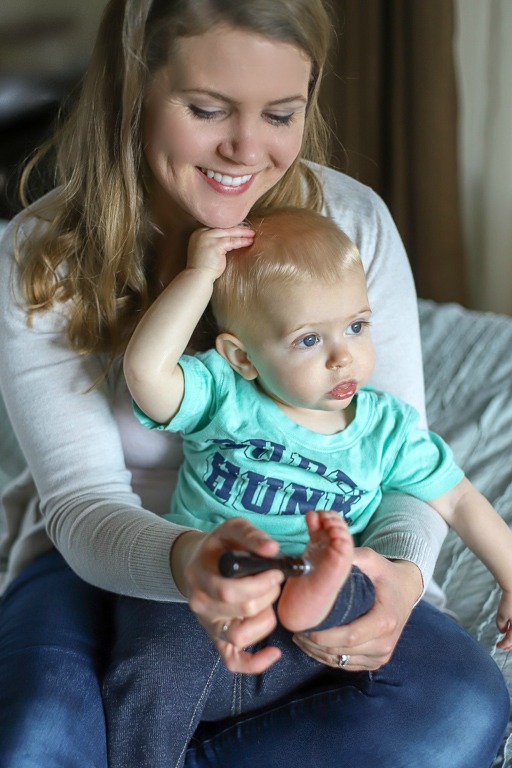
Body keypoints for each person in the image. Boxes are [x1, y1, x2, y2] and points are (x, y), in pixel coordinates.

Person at [0, 0, 508, 766]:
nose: (245, 149)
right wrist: (191, 564)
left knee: (461, 710)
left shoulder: (351, 222)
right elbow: (82, 503)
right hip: (107, 563)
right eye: (207, 109)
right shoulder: (35, 258)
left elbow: (404, 456)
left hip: (312, 568)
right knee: (36, 741)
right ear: (134, 89)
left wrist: (400, 578)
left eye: (280, 113)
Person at [103, 206, 512, 765]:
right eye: (307, 340)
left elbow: (458, 498)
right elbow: (147, 374)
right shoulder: (225, 396)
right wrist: (198, 277)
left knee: (359, 575)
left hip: (320, 620)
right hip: (211, 593)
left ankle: (313, 586)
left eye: (356, 326)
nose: (343, 355)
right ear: (242, 356)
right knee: (147, 670)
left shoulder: (386, 430)